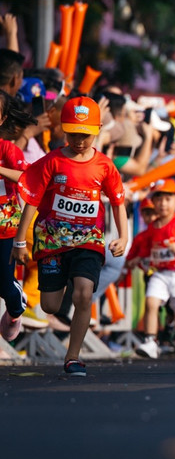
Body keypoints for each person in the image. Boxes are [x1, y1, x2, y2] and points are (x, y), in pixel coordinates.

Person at [10, 97, 127, 376]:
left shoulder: (105, 166)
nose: (79, 140)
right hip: (53, 240)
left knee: (84, 293)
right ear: (63, 129)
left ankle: (72, 356)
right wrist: (19, 241)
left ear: (97, 130)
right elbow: (33, 200)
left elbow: (118, 202)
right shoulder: (53, 161)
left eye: (85, 134)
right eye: (73, 133)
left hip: (89, 240)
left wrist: (124, 238)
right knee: (49, 305)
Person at [127, 178, 175, 359]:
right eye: (158, 199)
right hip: (161, 274)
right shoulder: (152, 227)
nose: (162, 204)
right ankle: (150, 342)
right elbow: (147, 250)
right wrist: (135, 260)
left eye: (167, 199)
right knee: (151, 302)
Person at [0, 91, 29, 341]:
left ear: (2, 119)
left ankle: (16, 303)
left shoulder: (7, 149)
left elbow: (25, 178)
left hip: (5, 229)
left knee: (2, 283)